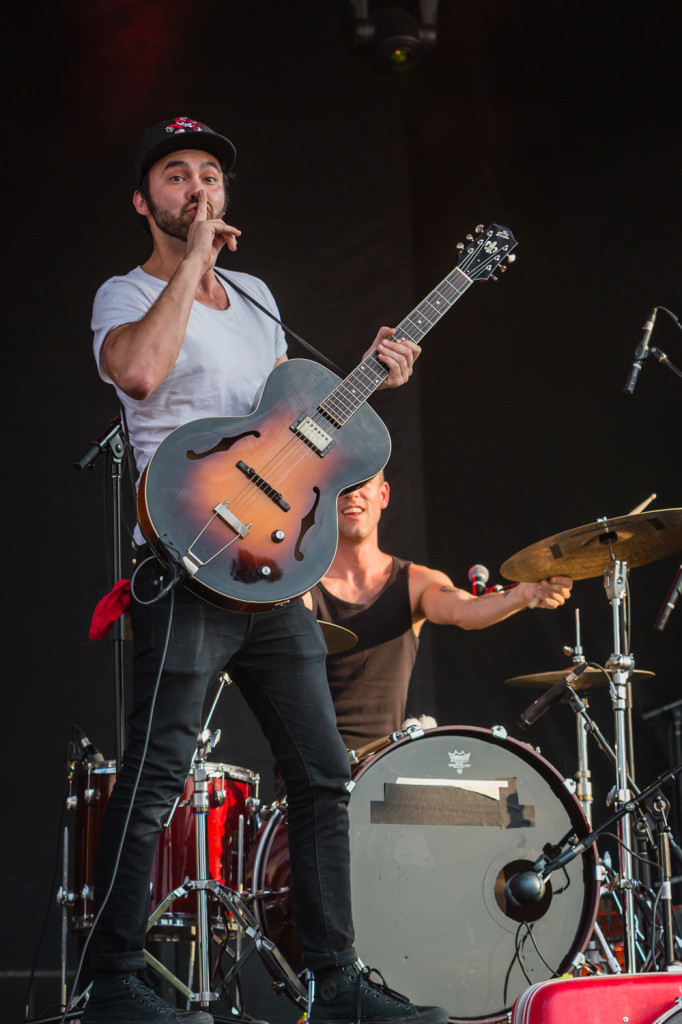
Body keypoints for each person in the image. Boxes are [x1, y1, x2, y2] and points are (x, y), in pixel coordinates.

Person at [86, 115, 443, 1024]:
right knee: (158, 773)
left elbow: (291, 423)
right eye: (176, 175)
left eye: (211, 173)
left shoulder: (254, 295)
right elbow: (139, 374)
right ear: (145, 201)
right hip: (185, 558)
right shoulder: (123, 294)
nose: (198, 185)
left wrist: (369, 378)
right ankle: (114, 981)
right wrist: (191, 262)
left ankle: (335, 981)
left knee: (323, 771)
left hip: (270, 571)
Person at [307, 472, 573, 751]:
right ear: (325, 500)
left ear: (383, 495)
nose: (352, 493)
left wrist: (523, 593)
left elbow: (465, 610)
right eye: (343, 486)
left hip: (382, 771)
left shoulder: (415, 582)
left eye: (362, 483)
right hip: (310, 770)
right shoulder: (302, 587)